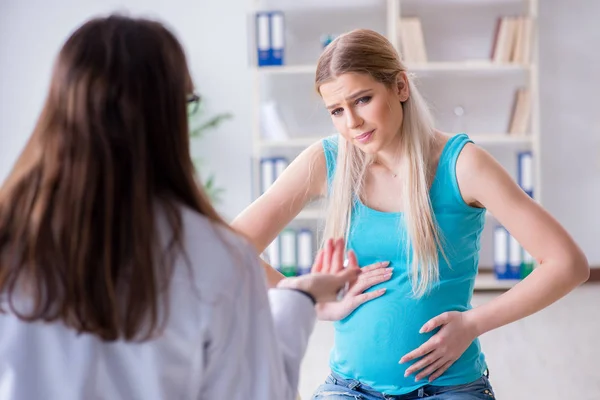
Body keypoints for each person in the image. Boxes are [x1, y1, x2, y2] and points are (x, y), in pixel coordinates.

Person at [0, 14, 362, 400]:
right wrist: (299, 299)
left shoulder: (12, 244)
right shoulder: (215, 258)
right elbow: (259, 391)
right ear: (170, 115)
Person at [231, 29, 590, 399]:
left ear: (400, 87)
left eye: (363, 99)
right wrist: (309, 298)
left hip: (449, 387)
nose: (351, 122)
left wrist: (472, 323)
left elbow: (566, 264)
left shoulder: (463, 165)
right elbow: (229, 249)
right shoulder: (326, 161)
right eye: (337, 110)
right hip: (349, 388)